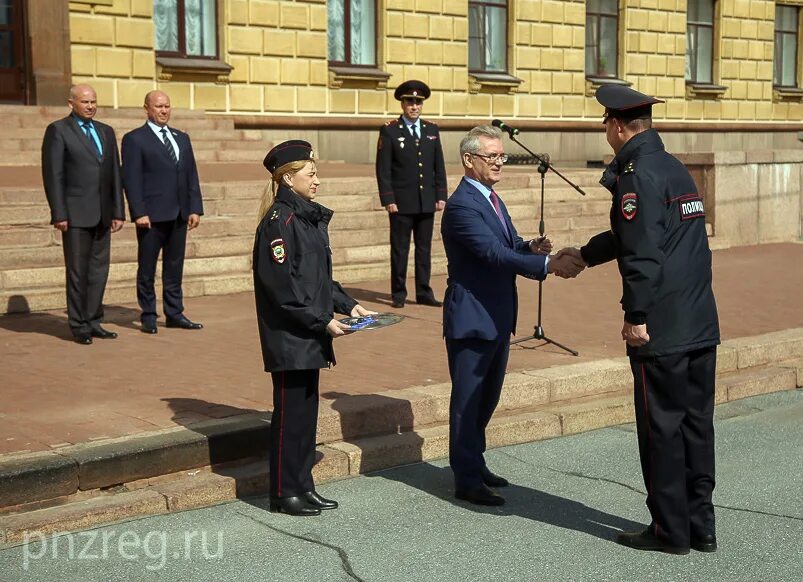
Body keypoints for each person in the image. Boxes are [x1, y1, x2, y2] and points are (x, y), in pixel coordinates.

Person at [557, 85, 720, 554]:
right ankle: (700, 524)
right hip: (699, 321)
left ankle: (670, 531)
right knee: (695, 424)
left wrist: (637, 315)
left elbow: (644, 252)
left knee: (661, 428)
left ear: (616, 125)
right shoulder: (671, 167)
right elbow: (638, 233)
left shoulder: (636, 174)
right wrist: (587, 254)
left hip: (663, 327)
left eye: (605, 124)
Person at [441, 125, 585, 506]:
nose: (499, 163)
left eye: (501, 156)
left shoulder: (490, 197)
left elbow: (506, 245)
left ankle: (475, 460)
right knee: (469, 399)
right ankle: (466, 478)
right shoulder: (461, 206)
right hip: (473, 316)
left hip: (497, 313)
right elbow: (491, 254)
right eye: (491, 156)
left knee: (487, 397)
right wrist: (547, 264)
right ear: (469, 160)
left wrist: (529, 245)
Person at [253, 140, 375, 516]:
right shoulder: (280, 222)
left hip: (309, 334)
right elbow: (282, 289)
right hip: (291, 336)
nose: (317, 180)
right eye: (311, 173)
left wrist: (348, 303)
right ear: (288, 179)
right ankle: (283, 491)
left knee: (305, 418)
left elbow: (319, 279)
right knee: (290, 419)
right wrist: (323, 321)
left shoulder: (306, 219)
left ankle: (303, 485)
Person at [41, 84, 125, 345]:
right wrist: (59, 212)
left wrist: (118, 211)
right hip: (75, 215)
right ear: (71, 103)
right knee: (78, 271)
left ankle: (94, 320)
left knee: (99, 270)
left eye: (93, 102)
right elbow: (53, 175)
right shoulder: (58, 131)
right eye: (85, 102)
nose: (90, 106)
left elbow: (115, 174)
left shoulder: (106, 132)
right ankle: (79, 325)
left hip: (103, 214)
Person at [121, 90, 204, 334]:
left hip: (179, 214)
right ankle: (148, 314)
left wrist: (194, 208)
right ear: (146, 108)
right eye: (158, 106)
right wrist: (139, 212)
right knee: (147, 267)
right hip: (151, 217)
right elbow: (132, 179)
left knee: (174, 267)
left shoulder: (181, 138)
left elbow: (191, 175)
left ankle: (174, 313)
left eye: (167, 106)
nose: (164, 111)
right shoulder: (135, 139)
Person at [376, 80, 447, 308]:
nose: (414, 106)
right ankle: (398, 293)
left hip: (426, 201)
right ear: (402, 104)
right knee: (400, 249)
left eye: (418, 102)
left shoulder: (431, 130)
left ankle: (424, 292)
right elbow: (383, 169)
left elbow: (439, 165)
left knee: (424, 250)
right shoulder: (390, 130)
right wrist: (388, 199)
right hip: (401, 203)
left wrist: (441, 194)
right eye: (410, 102)